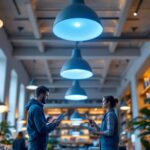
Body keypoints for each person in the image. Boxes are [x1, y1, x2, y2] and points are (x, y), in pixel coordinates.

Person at [25, 85, 61, 150]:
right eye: (46, 95)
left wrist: (45, 121)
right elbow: (42, 129)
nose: (47, 98)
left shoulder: (35, 107)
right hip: (37, 146)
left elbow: (37, 127)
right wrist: (54, 124)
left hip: (36, 145)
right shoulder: (36, 108)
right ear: (42, 94)